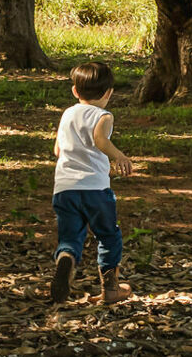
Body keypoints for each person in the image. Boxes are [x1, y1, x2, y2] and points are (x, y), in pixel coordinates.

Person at [50, 61, 134, 302]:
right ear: (109, 93)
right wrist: (119, 156)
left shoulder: (67, 114)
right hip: (95, 189)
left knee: (70, 237)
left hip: (64, 188)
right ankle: (110, 289)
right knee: (108, 235)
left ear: (75, 92)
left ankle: (66, 259)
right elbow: (100, 140)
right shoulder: (103, 115)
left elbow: (58, 150)